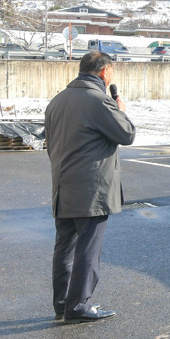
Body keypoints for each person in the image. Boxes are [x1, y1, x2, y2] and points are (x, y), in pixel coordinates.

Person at [45, 50, 136, 322]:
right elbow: (126, 134)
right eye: (111, 72)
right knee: (88, 249)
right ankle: (79, 306)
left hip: (63, 186)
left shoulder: (58, 100)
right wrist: (120, 110)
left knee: (65, 248)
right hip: (91, 190)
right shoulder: (99, 101)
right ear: (105, 72)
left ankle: (63, 303)